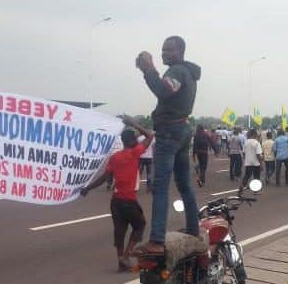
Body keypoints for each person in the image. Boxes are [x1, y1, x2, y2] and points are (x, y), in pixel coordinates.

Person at [134, 36, 201, 255]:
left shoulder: (178, 72)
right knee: (184, 185)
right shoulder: (188, 72)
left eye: (168, 50)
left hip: (169, 132)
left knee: (160, 186)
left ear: (180, 51)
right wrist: (149, 71)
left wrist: (149, 69)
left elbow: (163, 91)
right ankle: (193, 228)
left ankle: (156, 240)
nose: (163, 54)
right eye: (162, 50)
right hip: (181, 130)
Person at [81, 117, 153, 271]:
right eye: (134, 138)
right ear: (131, 141)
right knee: (140, 225)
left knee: (120, 231)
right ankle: (126, 256)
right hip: (129, 200)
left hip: (116, 202)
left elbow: (104, 178)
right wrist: (133, 123)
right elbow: (149, 135)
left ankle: (121, 261)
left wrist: (87, 188)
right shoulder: (135, 152)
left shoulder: (115, 157)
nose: (136, 140)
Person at [240, 128, 263, 193]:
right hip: (256, 163)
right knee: (256, 177)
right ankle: (255, 191)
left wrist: (245, 160)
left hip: (248, 162)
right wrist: (261, 164)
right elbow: (258, 154)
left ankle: (241, 187)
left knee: (246, 176)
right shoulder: (257, 143)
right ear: (254, 134)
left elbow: (244, 153)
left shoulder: (246, 142)